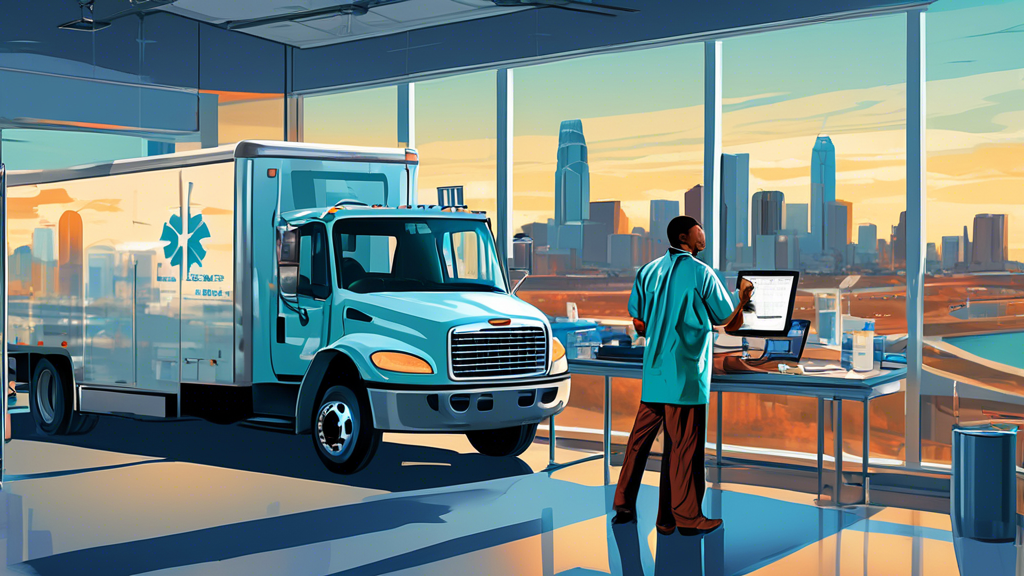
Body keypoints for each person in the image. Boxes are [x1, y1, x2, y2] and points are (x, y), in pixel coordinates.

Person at [612, 215, 754, 536]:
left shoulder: (648, 271)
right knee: (684, 449)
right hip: (687, 375)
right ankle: (689, 518)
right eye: (698, 230)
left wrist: (662, 333)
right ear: (684, 237)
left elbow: (639, 322)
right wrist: (744, 300)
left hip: (656, 372)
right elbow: (728, 323)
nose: (703, 233)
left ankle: (642, 509)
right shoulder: (702, 273)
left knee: (639, 444)